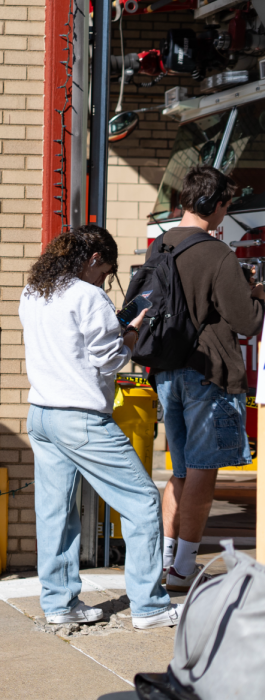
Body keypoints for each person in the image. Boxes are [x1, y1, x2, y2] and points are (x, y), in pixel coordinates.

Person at [20, 225, 181, 630]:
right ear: (93, 260)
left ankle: (59, 604)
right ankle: (150, 607)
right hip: (82, 418)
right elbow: (108, 360)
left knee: (55, 512)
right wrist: (130, 334)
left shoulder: (34, 292)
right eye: (105, 271)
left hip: (41, 413)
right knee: (143, 502)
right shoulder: (87, 295)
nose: (105, 280)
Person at [151, 166, 264, 591]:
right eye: (225, 206)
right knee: (203, 470)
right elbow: (246, 321)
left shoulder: (160, 246)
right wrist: (255, 293)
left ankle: (165, 561)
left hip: (166, 370)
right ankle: (183, 567)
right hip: (209, 374)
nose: (225, 214)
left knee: (179, 469)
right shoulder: (218, 255)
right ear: (213, 204)